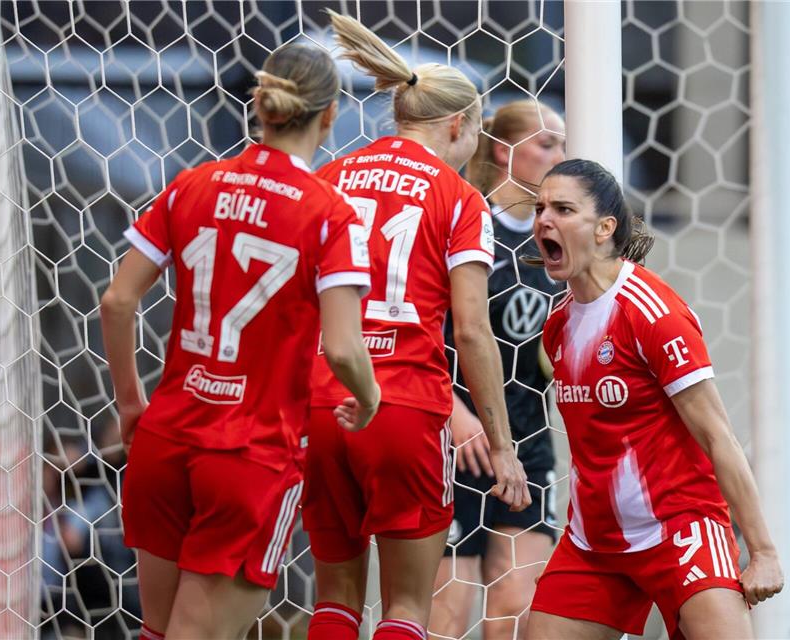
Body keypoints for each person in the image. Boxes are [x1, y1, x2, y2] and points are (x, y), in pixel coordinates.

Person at [100, 43, 379, 640]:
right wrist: (370, 396)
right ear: (330, 115)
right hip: (249, 455)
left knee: (157, 631)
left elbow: (117, 301)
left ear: (259, 102)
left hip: (165, 440)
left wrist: (129, 403)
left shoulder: (190, 185)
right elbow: (344, 349)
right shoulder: (331, 214)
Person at [302, 11, 531, 640]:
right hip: (406, 407)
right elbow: (473, 330)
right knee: (407, 607)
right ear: (458, 125)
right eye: (476, 138)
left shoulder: (329, 180)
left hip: (323, 402)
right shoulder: (459, 200)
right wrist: (502, 445)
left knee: (334, 603)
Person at [524, 159, 784, 640]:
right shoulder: (557, 325)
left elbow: (717, 436)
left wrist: (763, 551)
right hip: (594, 542)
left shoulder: (652, 312)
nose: (544, 220)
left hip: (679, 527)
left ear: (605, 228)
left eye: (562, 208)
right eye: (539, 208)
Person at [430, 100, 566, 640]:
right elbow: (420, 331)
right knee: (446, 611)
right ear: (506, 151)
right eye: (548, 143)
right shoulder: (469, 225)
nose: (560, 155)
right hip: (458, 438)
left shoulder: (557, 243)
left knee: (514, 603)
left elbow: (624, 267)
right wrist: (453, 410)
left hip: (527, 437)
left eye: (563, 145)